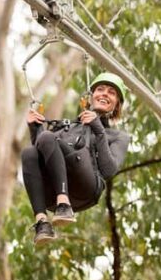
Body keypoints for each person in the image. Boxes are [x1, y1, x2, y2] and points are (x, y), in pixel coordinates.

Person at [20, 72, 131, 247]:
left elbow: (108, 171)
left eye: (111, 92)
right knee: (29, 152)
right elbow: (41, 155)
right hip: (53, 193)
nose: (104, 94)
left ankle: (64, 205)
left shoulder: (118, 136)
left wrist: (98, 131)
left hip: (86, 186)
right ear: (90, 97)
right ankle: (42, 222)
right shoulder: (68, 128)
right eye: (100, 89)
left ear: (117, 104)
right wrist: (35, 129)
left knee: (49, 138)